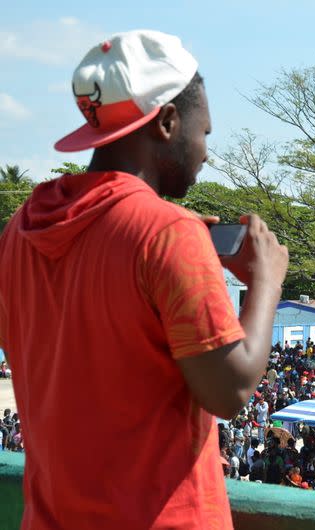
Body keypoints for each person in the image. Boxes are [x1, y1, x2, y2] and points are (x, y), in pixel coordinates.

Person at [0, 30, 288, 528]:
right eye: (204, 133)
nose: (205, 152)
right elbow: (230, 390)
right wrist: (266, 286)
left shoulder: (22, 228)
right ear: (168, 122)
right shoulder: (168, 233)